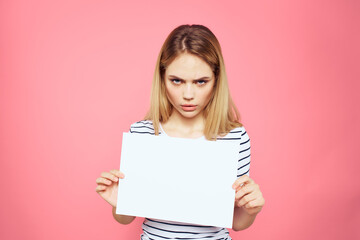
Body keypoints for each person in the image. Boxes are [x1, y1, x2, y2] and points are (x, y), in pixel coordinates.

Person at [95, 24, 265, 240]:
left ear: (216, 80)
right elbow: (125, 218)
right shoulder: (143, 134)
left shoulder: (234, 137)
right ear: (162, 78)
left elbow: (237, 223)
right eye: (176, 81)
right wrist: (121, 201)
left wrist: (252, 209)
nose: (188, 94)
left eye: (201, 82)